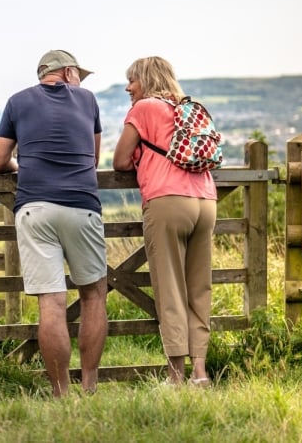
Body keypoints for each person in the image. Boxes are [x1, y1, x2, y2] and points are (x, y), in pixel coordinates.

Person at [0, 49, 108, 397]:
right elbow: (94, 156)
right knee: (93, 295)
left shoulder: (17, 101)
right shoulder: (88, 101)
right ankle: (89, 386)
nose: (80, 82)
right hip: (82, 206)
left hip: (35, 207)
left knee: (51, 302)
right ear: (68, 72)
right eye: (78, 75)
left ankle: (60, 392)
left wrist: (21, 167)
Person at [112, 56, 217, 388]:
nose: (128, 87)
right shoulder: (184, 108)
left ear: (146, 79)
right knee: (199, 287)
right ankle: (200, 372)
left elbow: (119, 160)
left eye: (132, 80)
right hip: (205, 199)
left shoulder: (144, 109)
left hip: (168, 200)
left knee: (170, 287)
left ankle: (175, 375)